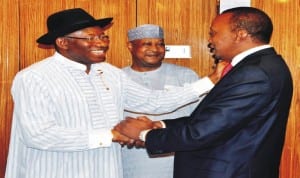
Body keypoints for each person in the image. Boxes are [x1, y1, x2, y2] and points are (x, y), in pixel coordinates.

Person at [5, 8, 225, 178]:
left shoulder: (109, 73)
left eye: (103, 37)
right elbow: (38, 134)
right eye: (90, 38)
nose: (101, 43)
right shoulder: (34, 77)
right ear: (63, 43)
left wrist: (211, 80)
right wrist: (109, 135)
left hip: (105, 169)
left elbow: (154, 101)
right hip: (55, 171)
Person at [114, 7, 293, 178]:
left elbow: (202, 131)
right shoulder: (258, 66)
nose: (210, 40)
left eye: (214, 33)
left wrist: (144, 133)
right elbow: (210, 119)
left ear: (240, 35)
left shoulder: (255, 72)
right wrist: (160, 125)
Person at [122, 24, 201, 178]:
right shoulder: (117, 78)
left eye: (160, 44)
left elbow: (199, 119)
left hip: (177, 159)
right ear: (130, 46)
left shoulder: (186, 76)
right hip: (132, 161)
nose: (155, 49)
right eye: (147, 44)